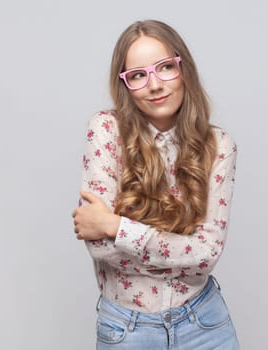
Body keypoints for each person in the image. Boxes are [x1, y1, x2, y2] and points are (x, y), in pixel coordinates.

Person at [72, 19, 239, 349]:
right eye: (138, 75)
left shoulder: (219, 145)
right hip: (127, 329)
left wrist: (118, 227)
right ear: (125, 85)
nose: (155, 85)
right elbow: (99, 247)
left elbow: (206, 255)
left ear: (184, 69)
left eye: (165, 68)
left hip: (204, 323)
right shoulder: (106, 130)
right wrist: (177, 250)